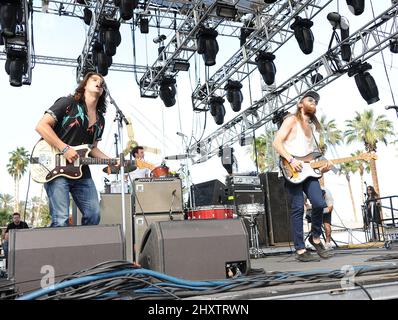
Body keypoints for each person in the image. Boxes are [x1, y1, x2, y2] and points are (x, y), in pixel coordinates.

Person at [35, 72, 112, 227]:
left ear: (103, 90)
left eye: (102, 82)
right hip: (55, 168)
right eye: (94, 79)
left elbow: (92, 149)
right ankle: (56, 250)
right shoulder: (68, 103)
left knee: (94, 214)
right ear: (84, 85)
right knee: (61, 219)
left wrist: (111, 161)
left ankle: (83, 249)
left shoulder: (100, 120)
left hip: (81, 172)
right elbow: (41, 126)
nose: (99, 82)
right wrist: (65, 149)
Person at [272, 90, 334, 262]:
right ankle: (300, 249)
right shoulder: (291, 120)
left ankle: (315, 238)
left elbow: (310, 156)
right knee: (298, 208)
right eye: (310, 99)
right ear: (300, 104)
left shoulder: (313, 127)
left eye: (316, 100)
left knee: (320, 202)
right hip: (291, 169)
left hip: (308, 171)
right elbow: (276, 143)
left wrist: (322, 167)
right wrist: (291, 160)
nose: (314, 101)